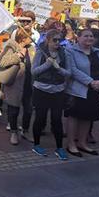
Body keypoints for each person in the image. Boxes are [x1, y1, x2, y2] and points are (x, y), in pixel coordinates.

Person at [65, 28, 99, 156]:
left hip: (97, 89)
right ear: (78, 38)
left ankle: (82, 143)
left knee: (88, 117)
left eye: (91, 36)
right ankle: (71, 144)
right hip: (78, 90)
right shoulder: (70, 51)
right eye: (86, 36)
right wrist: (90, 82)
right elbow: (73, 70)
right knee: (74, 116)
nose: (89, 38)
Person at [31, 29, 71, 160]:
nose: (58, 43)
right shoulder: (40, 53)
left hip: (57, 91)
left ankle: (59, 147)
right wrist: (48, 64)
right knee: (40, 118)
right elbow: (34, 72)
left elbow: (69, 73)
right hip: (41, 90)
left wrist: (59, 69)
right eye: (55, 40)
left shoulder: (64, 53)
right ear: (48, 40)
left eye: (60, 40)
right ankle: (36, 144)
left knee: (57, 119)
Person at [0, 29, 33, 145]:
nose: (32, 38)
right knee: (14, 109)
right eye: (30, 35)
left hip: (29, 83)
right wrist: (17, 56)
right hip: (15, 83)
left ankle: (25, 130)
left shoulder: (32, 48)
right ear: (23, 38)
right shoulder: (11, 46)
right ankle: (13, 132)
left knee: (28, 109)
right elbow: (2, 62)